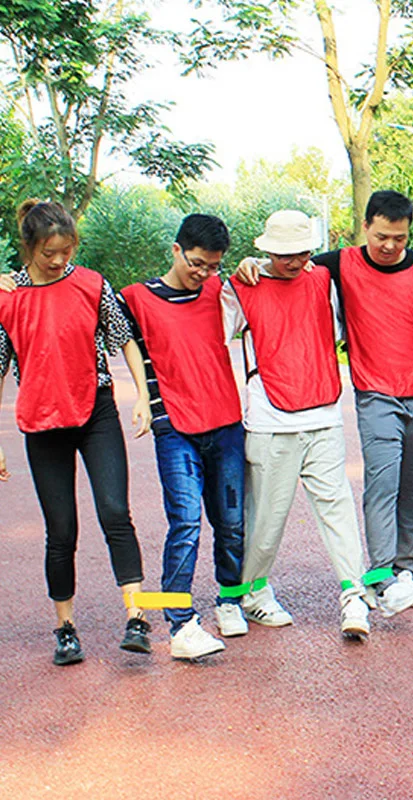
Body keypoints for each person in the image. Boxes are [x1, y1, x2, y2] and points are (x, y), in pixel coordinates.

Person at [238, 190, 413, 618]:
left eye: (399, 237)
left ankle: (403, 570)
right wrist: (251, 265)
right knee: (383, 484)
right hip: (375, 394)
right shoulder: (338, 263)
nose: (390, 246)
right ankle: (380, 577)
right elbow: (285, 269)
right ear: (366, 228)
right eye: (382, 236)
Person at [0, 199, 153, 665]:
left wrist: (144, 397)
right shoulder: (9, 297)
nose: (60, 260)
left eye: (66, 250)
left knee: (114, 512)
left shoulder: (90, 284)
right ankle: (65, 628)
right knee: (61, 528)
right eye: (50, 252)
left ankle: (137, 618)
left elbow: (122, 336)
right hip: (44, 422)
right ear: (28, 247)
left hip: (96, 411)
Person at [222, 210, 371, 639]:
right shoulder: (241, 288)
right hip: (271, 419)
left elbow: (343, 330)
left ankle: (353, 594)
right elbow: (210, 331)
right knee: (267, 519)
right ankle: (252, 593)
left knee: (338, 509)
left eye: (302, 252)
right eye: (285, 253)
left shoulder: (324, 282)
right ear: (266, 250)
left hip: (323, 413)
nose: (294, 260)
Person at [118, 214, 248, 660]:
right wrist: (15, 280)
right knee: (186, 523)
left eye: (213, 266)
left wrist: (254, 265)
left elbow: (281, 276)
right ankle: (180, 624)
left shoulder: (219, 290)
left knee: (231, 524)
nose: (204, 274)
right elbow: (81, 305)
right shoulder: (136, 298)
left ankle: (230, 600)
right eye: (197, 263)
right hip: (175, 427)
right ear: (175, 250)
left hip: (227, 422)